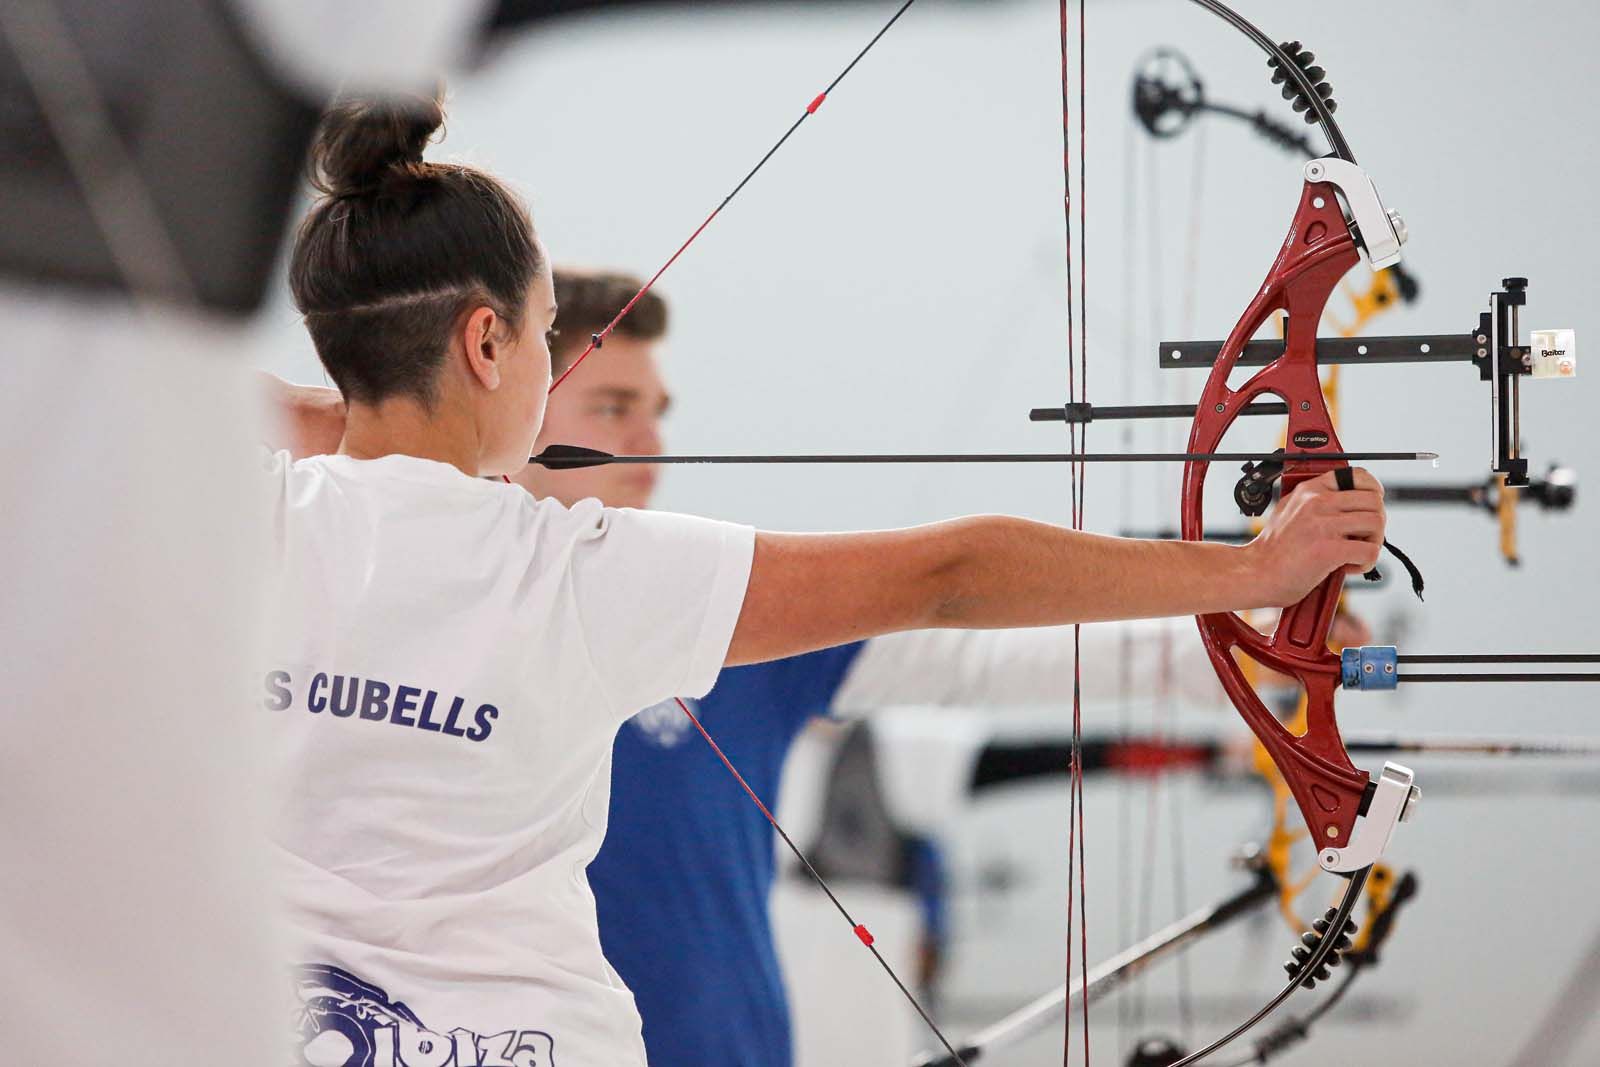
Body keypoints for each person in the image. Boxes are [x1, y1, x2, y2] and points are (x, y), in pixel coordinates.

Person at [264, 93, 1388, 1067]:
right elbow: (949, 576)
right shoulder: (581, 575)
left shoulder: (247, 514)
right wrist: (1256, 564)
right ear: (486, 345)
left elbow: (172, 391)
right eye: (550, 338)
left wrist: (353, 418)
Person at [507, 269, 1377, 1066]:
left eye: (659, 407)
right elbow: (953, 577)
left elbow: (975, 651)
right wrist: (1252, 576)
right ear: (511, 408)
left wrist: (1248, 640)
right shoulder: (444, 614)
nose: (653, 439)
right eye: (615, 407)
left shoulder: (711, 605)